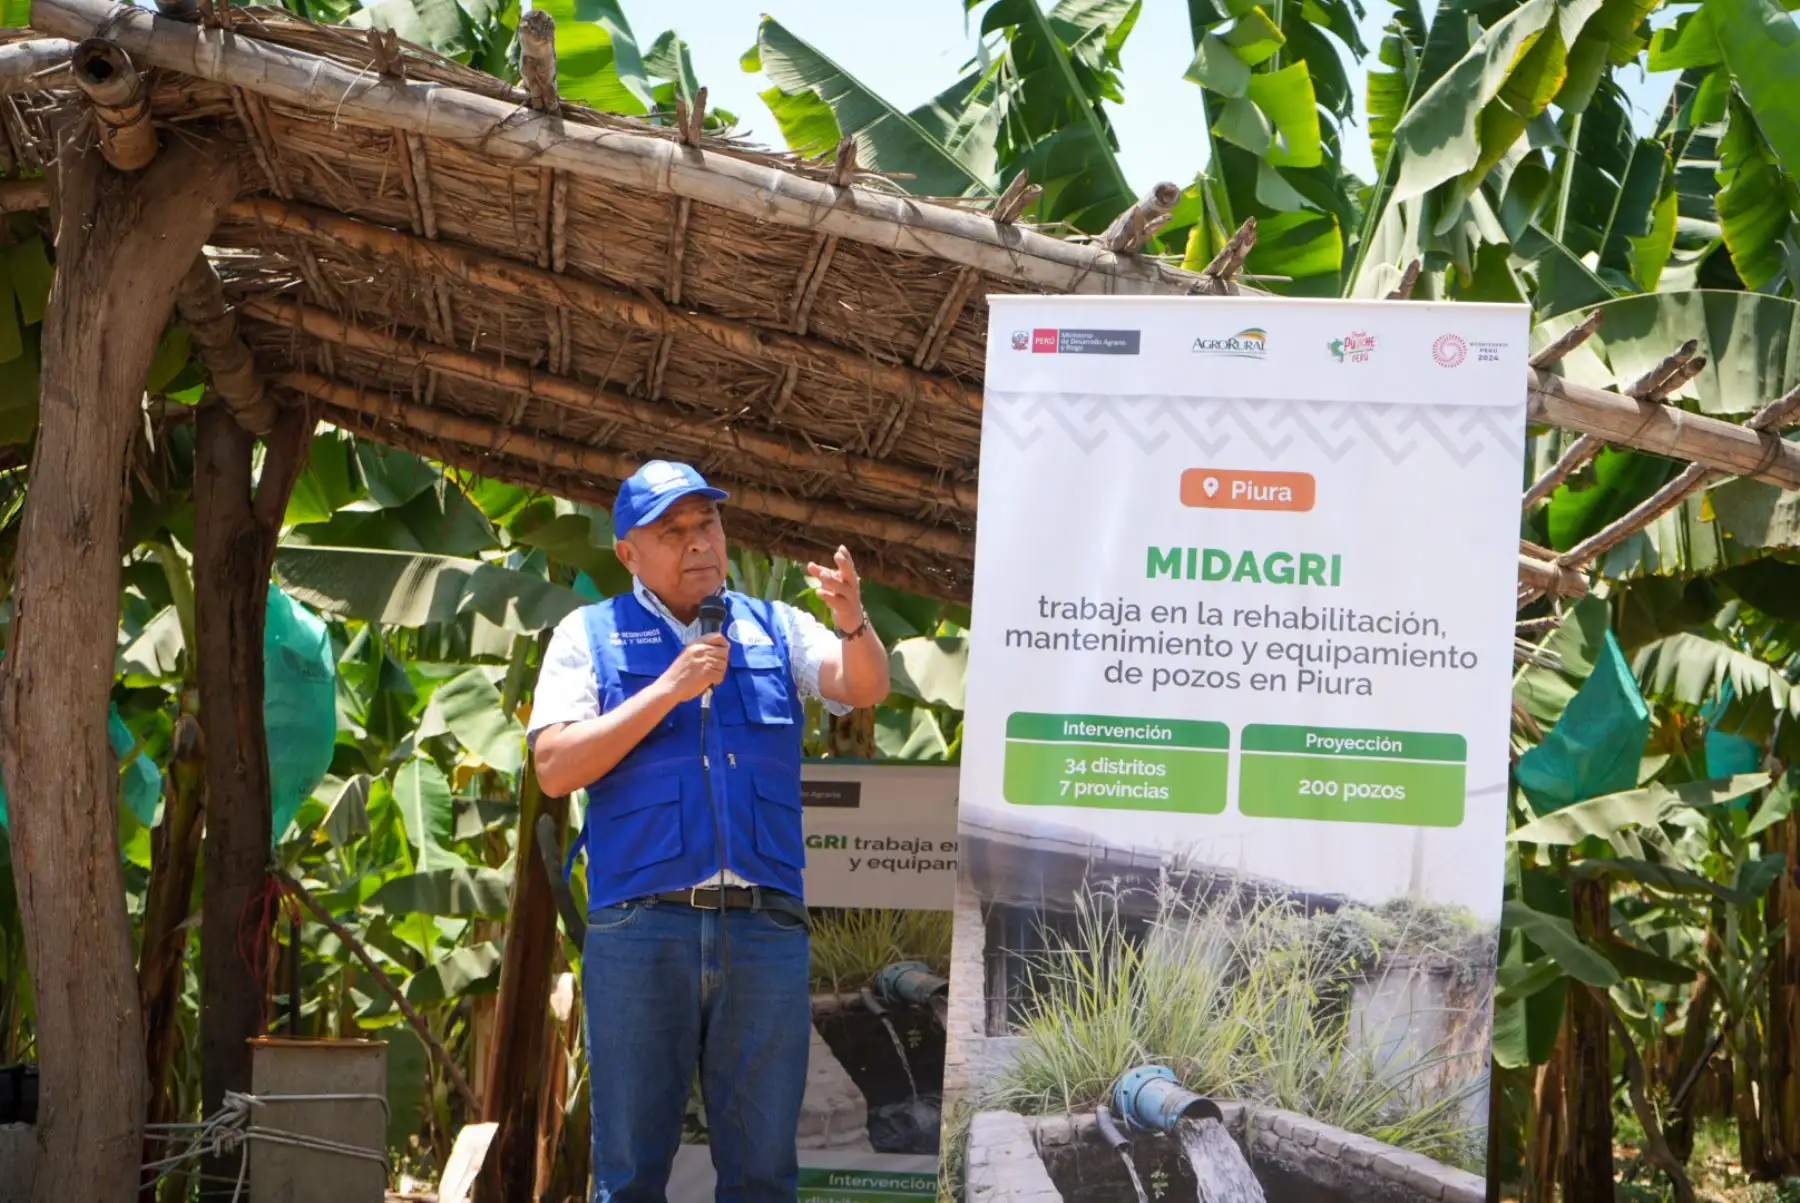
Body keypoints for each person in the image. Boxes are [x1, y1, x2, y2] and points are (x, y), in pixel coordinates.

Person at [529, 459, 891, 1203]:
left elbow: (863, 684)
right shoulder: (587, 633)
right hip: (641, 929)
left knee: (763, 1173)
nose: (699, 542)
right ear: (628, 552)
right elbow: (555, 767)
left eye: (708, 523)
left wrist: (853, 623)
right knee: (630, 1173)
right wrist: (669, 689)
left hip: (762, 928)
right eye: (673, 531)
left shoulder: (773, 626)